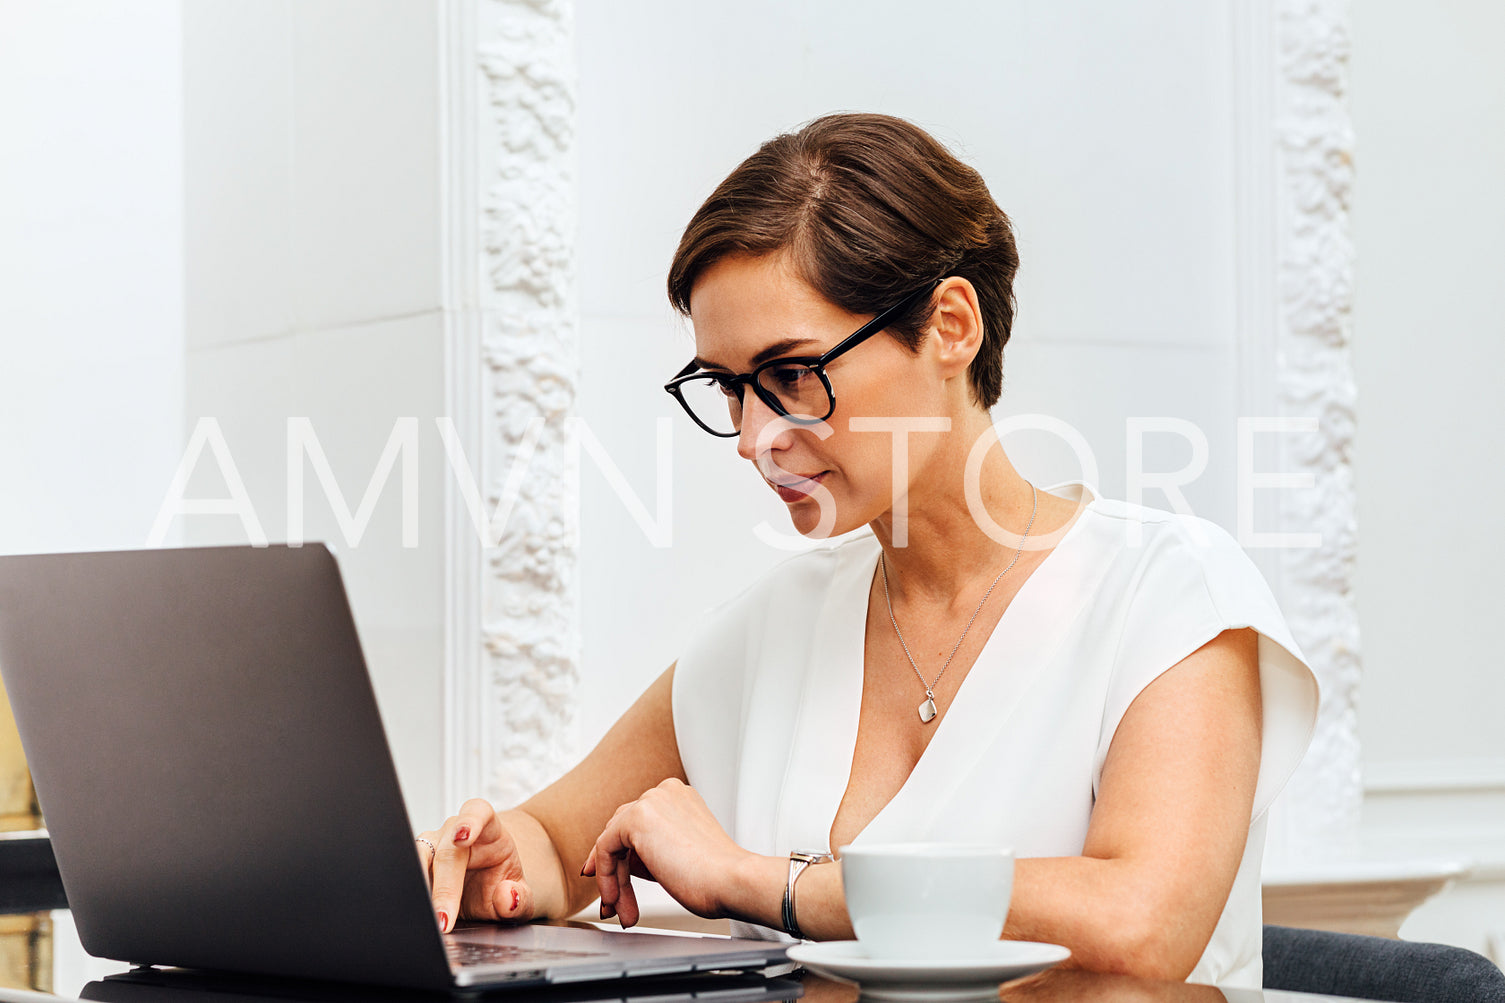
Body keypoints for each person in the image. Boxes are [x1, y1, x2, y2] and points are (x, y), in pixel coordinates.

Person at [415, 113, 1319, 989]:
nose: (754, 437)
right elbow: (550, 839)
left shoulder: (1166, 594)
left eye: (791, 375)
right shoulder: (775, 626)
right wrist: (497, 864)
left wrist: (763, 881)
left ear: (950, 326)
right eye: (730, 389)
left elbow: (1141, 921)